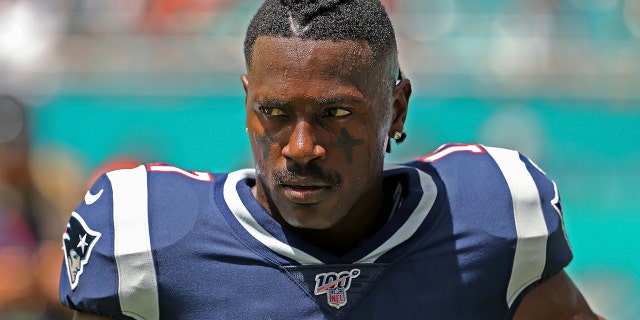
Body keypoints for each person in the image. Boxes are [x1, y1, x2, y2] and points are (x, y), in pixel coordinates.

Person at [60, 0, 603, 319]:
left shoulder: (491, 217)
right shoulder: (146, 235)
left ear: (396, 107)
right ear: (247, 103)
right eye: (273, 111)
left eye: (337, 113)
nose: (300, 148)